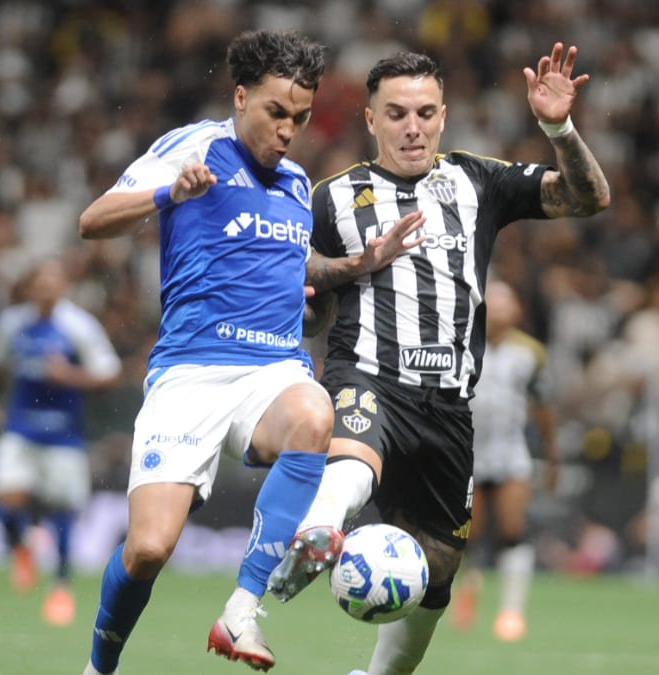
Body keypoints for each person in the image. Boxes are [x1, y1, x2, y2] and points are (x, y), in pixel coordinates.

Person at [75, 31, 415, 675]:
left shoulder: (296, 182)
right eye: (275, 112)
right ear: (240, 98)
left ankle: (242, 607)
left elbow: (293, 266)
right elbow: (93, 221)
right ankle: (99, 667)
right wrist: (169, 195)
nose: (287, 131)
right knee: (147, 550)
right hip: (191, 371)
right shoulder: (194, 147)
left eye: (300, 118)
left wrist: (356, 265)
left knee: (314, 414)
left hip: (272, 370)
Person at [270, 44, 610, 675]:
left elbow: (587, 198)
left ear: (443, 116)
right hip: (367, 373)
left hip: (448, 405)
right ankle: (319, 529)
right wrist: (325, 287)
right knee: (356, 453)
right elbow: (309, 299)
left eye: (425, 113)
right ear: (370, 119)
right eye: (396, 113)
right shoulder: (331, 198)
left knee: (437, 573)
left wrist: (559, 128)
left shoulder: (477, 180)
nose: (412, 127)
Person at [0, 258, 122, 626]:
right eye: (40, 282)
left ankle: (60, 586)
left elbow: (110, 373)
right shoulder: (12, 322)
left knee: (63, 510)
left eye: (53, 282)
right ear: (30, 287)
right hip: (20, 428)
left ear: (63, 287)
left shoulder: (78, 326)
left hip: (64, 434)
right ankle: (22, 547)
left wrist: (69, 376)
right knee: (5, 496)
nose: (46, 288)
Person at [450, 280, 559, 642]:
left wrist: (552, 455)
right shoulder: (462, 344)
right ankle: (468, 590)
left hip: (511, 451)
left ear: (517, 310)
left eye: (506, 303)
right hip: (469, 452)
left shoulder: (530, 353)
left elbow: (543, 408)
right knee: (469, 533)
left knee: (514, 530)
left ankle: (512, 610)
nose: (499, 310)